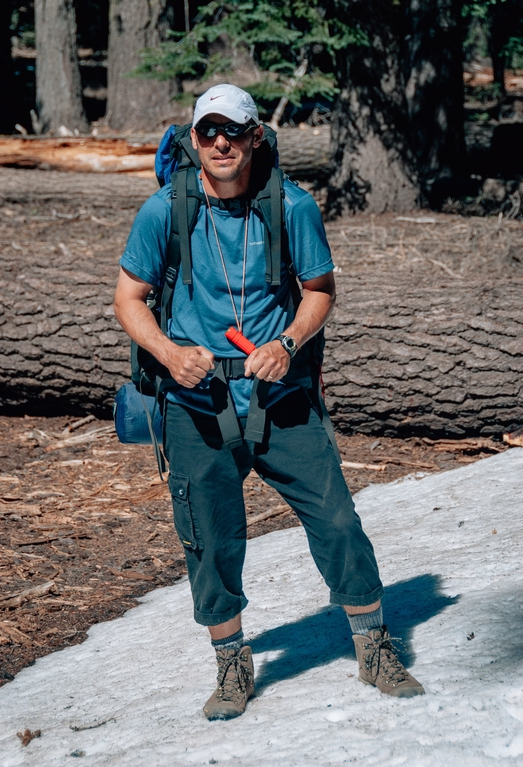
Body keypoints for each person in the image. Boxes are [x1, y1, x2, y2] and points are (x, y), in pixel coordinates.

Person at [114, 84, 424, 721]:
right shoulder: (163, 211)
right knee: (208, 540)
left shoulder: (292, 207)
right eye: (208, 132)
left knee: (338, 521)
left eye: (235, 130)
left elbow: (320, 289)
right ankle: (231, 662)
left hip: (281, 396)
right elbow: (128, 298)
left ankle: (374, 647)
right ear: (193, 140)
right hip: (195, 402)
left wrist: (287, 343)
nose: (221, 142)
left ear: (257, 136)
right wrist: (171, 354)